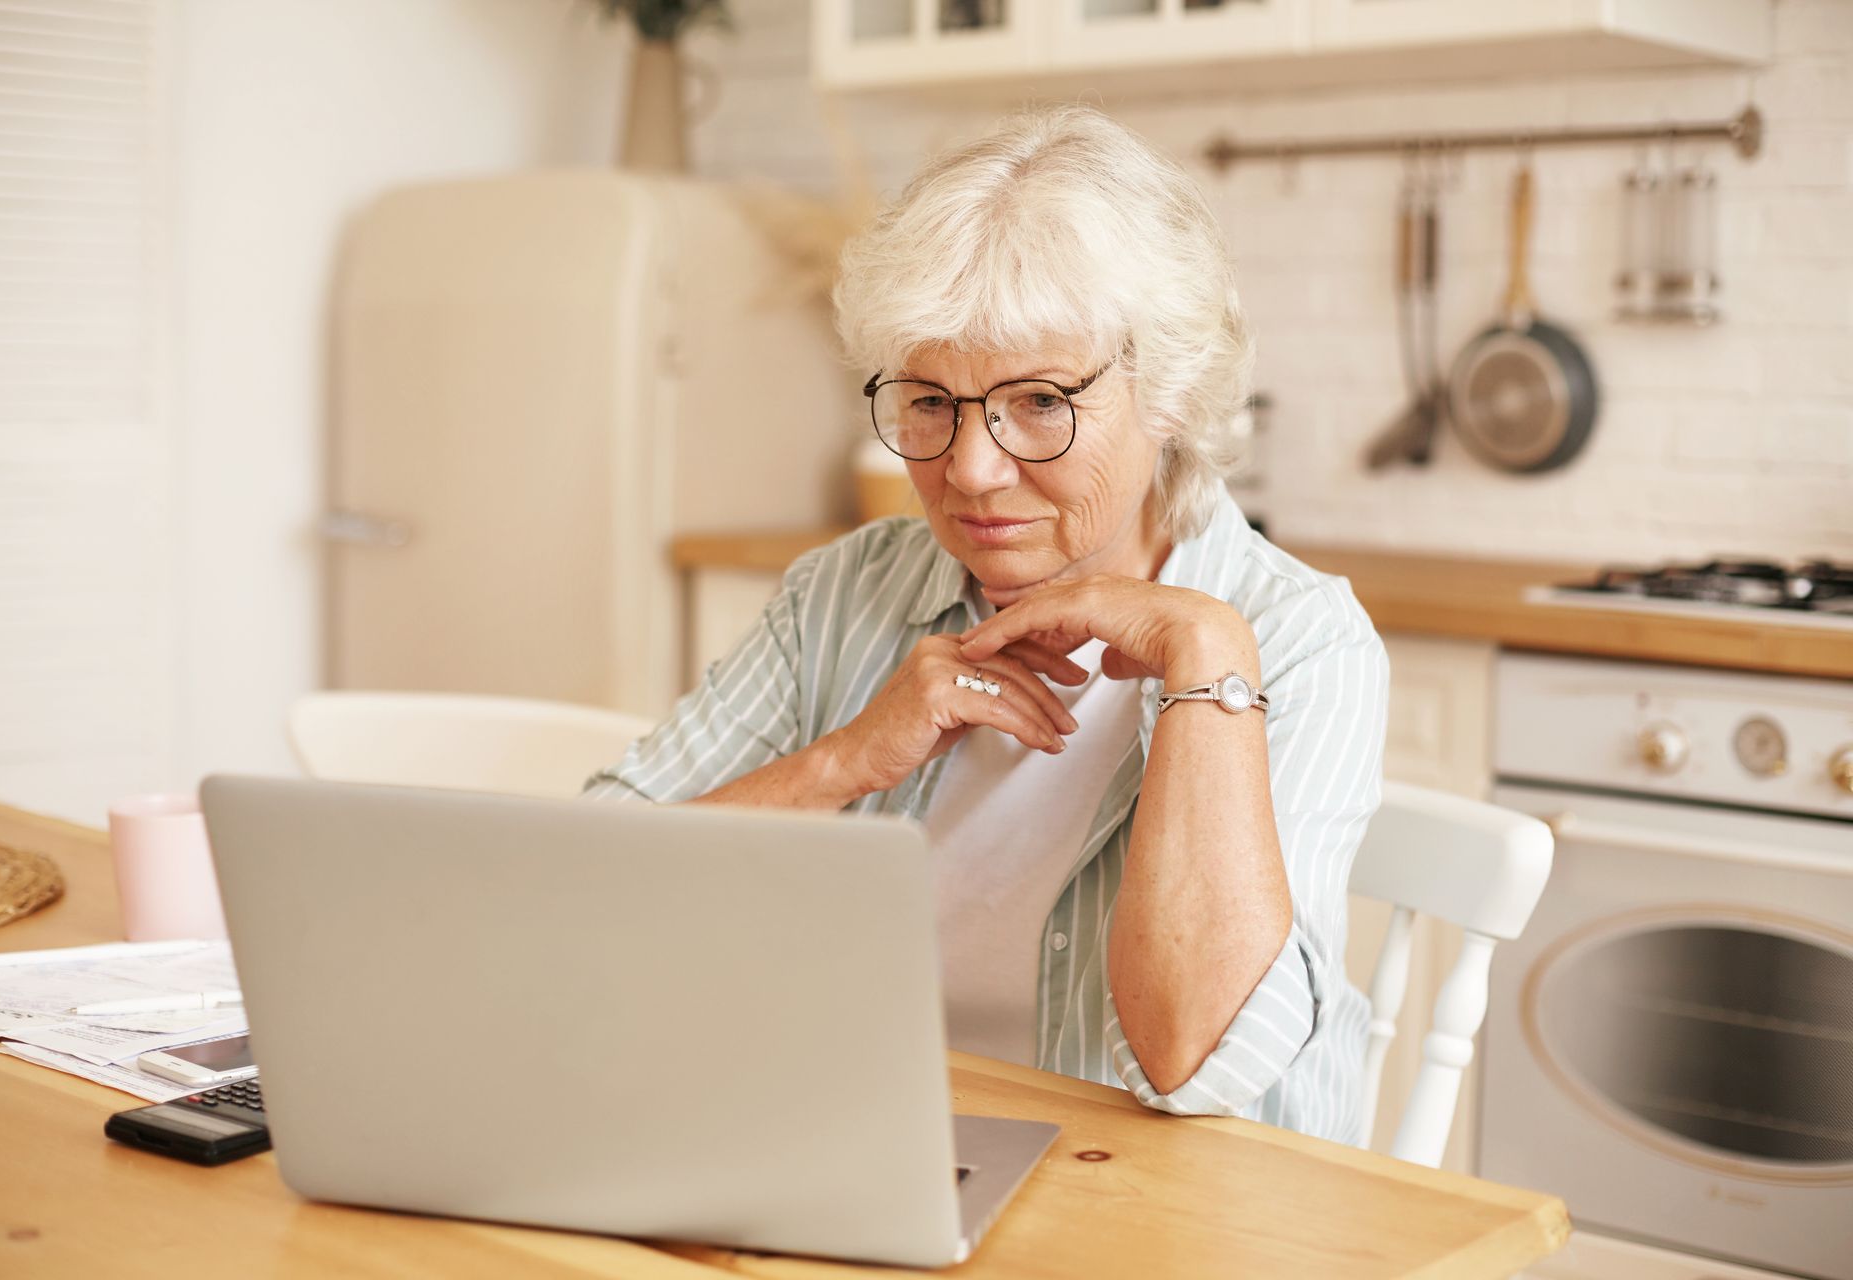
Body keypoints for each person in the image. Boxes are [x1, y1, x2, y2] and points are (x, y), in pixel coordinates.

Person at [587, 104, 1387, 1145]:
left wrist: (1206, 655)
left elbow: (1198, 1058)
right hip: (866, 1148)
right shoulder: (847, 590)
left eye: (1040, 401)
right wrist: (842, 762)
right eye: (928, 400)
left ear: (1171, 393)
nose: (968, 468)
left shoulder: (1299, 639)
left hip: (1189, 1205)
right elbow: (593, 890)